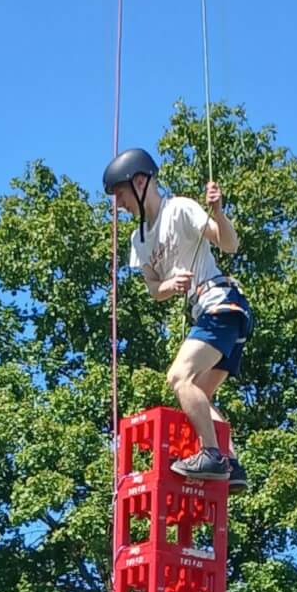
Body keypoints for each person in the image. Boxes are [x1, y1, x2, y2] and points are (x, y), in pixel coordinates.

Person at [103, 146, 251, 488]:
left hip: (220, 303)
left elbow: (229, 244)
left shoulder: (180, 209)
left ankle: (212, 455)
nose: (119, 204)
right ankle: (231, 462)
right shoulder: (139, 240)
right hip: (215, 313)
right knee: (198, 392)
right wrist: (170, 285)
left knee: (179, 377)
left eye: (121, 194)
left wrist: (219, 212)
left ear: (141, 182)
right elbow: (154, 290)